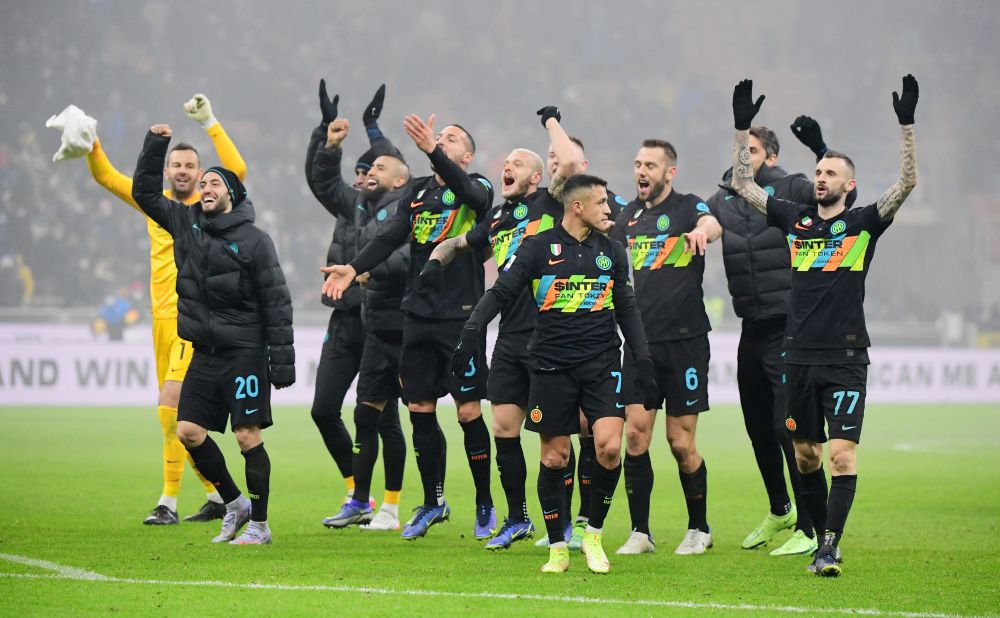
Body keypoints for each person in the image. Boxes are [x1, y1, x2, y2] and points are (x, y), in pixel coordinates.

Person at [729, 76, 918, 575]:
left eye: (830, 172)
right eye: (817, 170)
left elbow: (906, 184)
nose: (820, 177)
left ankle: (829, 547)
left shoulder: (863, 224)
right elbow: (744, 185)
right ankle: (818, 541)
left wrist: (906, 126)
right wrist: (741, 128)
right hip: (797, 356)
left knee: (841, 457)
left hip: (846, 357)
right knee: (806, 457)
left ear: (848, 185)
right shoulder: (796, 220)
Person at [454, 173, 659, 574]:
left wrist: (644, 361)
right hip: (550, 366)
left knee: (609, 448)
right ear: (577, 207)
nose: (609, 209)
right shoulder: (537, 247)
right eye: (601, 203)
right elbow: (501, 291)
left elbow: (628, 310)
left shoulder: (613, 252)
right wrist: (472, 329)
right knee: (554, 456)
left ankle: (593, 535)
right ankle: (558, 548)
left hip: (602, 363)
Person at [322, 113, 495, 541]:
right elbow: (390, 237)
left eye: (452, 138)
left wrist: (433, 150)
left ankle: (485, 503)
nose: (442, 139)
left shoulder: (478, 187)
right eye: (440, 136)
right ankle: (434, 502)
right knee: (419, 410)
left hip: (460, 316)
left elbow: (470, 193)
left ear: (466, 156)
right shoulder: (417, 192)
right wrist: (353, 267)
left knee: (468, 411)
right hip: (417, 315)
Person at [425, 106, 582, 549]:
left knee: (554, 440)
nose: (506, 167)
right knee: (504, 430)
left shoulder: (550, 202)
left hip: (550, 334)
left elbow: (570, 162)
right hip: (510, 337)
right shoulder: (497, 219)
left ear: (537, 177)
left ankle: (566, 524)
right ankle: (518, 519)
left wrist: (550, 122)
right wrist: (435, 260)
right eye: (505, 162)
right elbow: (461, 242)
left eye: (517, 163)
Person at [83, 94, 245, 524]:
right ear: (167, 171)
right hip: (160, 322)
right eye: (177, 165)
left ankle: (169, 501)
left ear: (201, 174)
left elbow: (238, 171)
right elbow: (106, 177)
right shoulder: (154, 204)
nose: (183, 171)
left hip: (193, 321)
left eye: (191, 165)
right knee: (173, 416)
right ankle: (217, 495)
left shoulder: (207, 208)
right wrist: (92, 143)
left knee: (170, 405)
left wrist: (210, 123)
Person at [131, 124, 295, 545]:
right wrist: (156, 145)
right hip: (204, 352)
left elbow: (277, 302)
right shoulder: (186, 223)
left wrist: (281, 361)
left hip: (245, 352)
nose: (205, 188)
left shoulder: (256, 242)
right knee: (187, 430)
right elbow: (144, 194)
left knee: (246, 436)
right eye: (202, 184)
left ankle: (260, 525)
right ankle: (234, 503)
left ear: (232, 194)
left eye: (214, 183)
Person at [705, 126, 819, 556]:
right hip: (750, 325)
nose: (743, 157)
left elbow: (832, 196)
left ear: (770, 157)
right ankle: (780, 509)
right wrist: (701, 230)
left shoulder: (791, 188)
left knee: (785, 426)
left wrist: (822, 151)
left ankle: (810, 524)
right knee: (756, 426)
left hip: (788, 324)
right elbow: (705, 221)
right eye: (740, 149)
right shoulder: (723, 196)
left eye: (751, 151)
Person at [610, 140, 722, 556]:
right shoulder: (628, 216)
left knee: (680, 442)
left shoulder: (688, 207)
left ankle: (699, 528)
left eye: (650, 165)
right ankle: (641, 532)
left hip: (685, 342)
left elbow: (713, 223)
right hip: (640, 343)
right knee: (635, 437)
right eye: (638, 163)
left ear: (669, 172)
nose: (641, 171)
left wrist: (702, 232)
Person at [304, 82, 408, 520]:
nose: (364, 176)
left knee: (383, 418)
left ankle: (389, 505)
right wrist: (326, 137)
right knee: (324, 409)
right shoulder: (356, 205)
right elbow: (321, 180)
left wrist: (372, 127)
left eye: (373, 169)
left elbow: (394, 164)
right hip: (346, 317)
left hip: (382, 317)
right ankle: (357, 493)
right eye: (362, 171)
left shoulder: (404, 208)